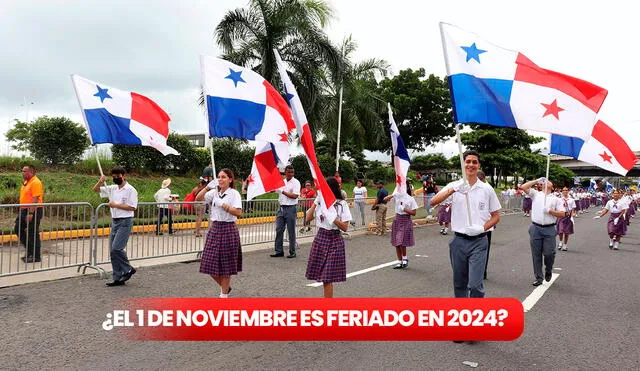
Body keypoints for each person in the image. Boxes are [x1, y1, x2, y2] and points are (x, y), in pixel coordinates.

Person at [430, 150, 501, 299]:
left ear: (479, 165)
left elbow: (496, 216)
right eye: (468, 161)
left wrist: (482, 228)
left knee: (475, 285)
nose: (471, 165)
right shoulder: (454, 186)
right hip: (458, 241)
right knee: (459, 284)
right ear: (463, 164)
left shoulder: (487, 189)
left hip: (479, 241)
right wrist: (453, 189)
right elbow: (433, 201)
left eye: (474, 162)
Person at [305, 177, 352, 298]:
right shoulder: (321, 201)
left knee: (327, 277)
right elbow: (308, 219)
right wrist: (316, 202)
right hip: (321, 237)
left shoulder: (342, 204)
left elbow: (345, 227)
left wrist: (332, 217)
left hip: (334, 239)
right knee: (321, 275)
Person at [199, 168, 243, 298]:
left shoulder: (234, 194)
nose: (220, 179)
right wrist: (208, 188)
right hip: (215, 228)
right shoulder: (214, 193)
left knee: (226, 265)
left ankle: (223, 295)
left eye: (223, 177)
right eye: (219, 177)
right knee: (207, 262)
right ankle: (226, 288)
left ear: (230, 179)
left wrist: (223, 204)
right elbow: (198, 198)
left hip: (228, 227)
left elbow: (238, 212)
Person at [93, 166, 138, 287]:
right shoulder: (112, 188)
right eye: (113, 177)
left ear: (124, 176)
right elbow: (96, 189)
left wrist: (116, 205)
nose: (116, 179)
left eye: (118, 176)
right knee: (113, 251)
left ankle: (128, 268)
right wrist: (100, 181)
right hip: (115, 221)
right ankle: (117, 277)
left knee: (117, 248)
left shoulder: (130, 190)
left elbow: (132, 207)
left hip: (125, 221)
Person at [520, 177, 565, 286]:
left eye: (548, 181)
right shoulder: (536, 194)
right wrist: (537, 180)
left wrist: (549, 211)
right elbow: (523, 187)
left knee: (549, 253)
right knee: (536, 255)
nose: (546, 181)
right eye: (544, 181)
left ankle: (548, 269)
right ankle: (538, 277)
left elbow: (562, 214)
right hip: (535, 227)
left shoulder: (556, 199)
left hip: (549, 228)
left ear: (552, 187)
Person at [384, 180, 418, 269]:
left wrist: (405, 209)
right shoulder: (397, 196)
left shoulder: (410, 198)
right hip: (397, 219)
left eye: (403, 186)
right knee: (397, 242)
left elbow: (414, 212)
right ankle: (399, 261)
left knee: (401, 240)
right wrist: (393, 195)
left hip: (405, 220)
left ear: (407, 187)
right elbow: (384, 199)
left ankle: (405, 258)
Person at [15, 165, 44, 263]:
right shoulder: (26, 182)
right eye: (22, 171)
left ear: (31, 172)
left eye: (25, 171)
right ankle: (30, 251)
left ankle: (36, 256)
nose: (22, 173)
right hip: (24, 210)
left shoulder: (36, 182)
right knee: (18, 228)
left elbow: (35, 198)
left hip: (33, 210)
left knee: (33, 233)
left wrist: (31, 213)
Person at [271, 165, 301, 258]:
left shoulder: (296, 182)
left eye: (292, 172)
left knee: (291, 230)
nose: (291, 174)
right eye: (289, 172)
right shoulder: (282, 182)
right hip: (281, 208)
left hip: (291, 208)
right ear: (285, 172)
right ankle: (279, 251)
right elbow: (274, 190)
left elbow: (295, 195)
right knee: (279, 229)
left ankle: (292, 251)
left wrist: (283, 191)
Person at [477, 170, 494, 280]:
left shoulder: (488, 189)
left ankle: (482, 271)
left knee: (483, 250)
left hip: (485, 225)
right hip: (476, 224)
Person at [557, 187, 576, 251]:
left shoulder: (571, 200)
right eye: (564, 190)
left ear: (568, 191)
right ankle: (560, 242)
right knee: (560, 231)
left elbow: (573, 209)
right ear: (562, 191)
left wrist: (572, 217)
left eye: (566, 190)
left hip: (568, 217)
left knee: (567, 232)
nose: (565, 191)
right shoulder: (559, 199)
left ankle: (565, 245)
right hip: (561, 216)